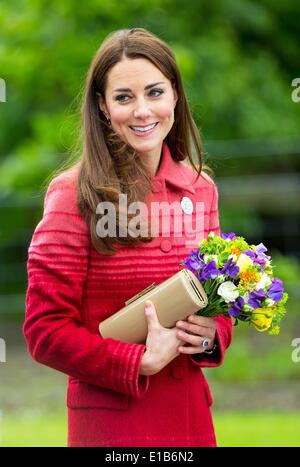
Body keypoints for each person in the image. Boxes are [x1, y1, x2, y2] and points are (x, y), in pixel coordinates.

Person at [24, 28, 232, 447]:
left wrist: (211, 335)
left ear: (174, 95)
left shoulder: (200, 188)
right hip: (115, 426)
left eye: (154, 92)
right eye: (123, 97)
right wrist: (136, 360)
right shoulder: (71, 195)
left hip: (190, 419)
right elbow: (44, 331)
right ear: (102, 106)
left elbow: (219, 302)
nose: (142, 111)